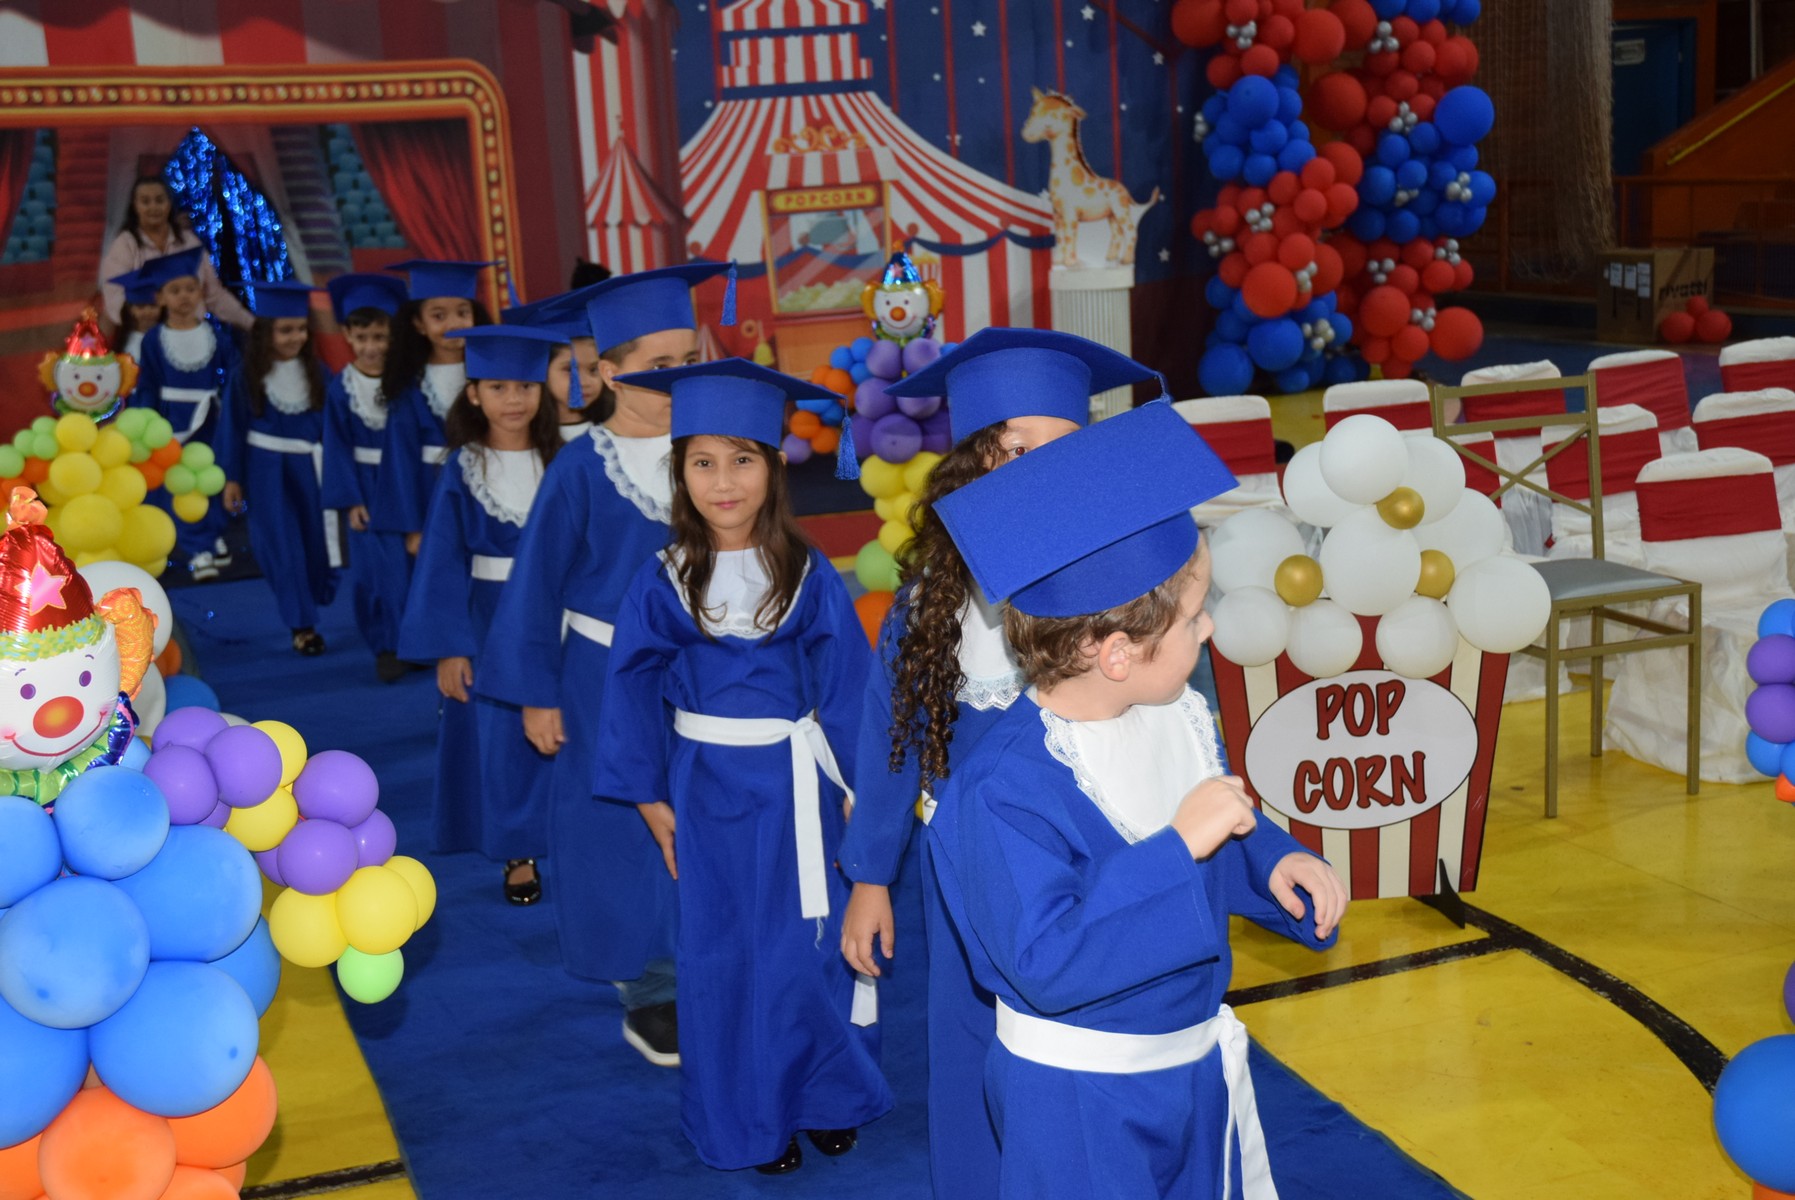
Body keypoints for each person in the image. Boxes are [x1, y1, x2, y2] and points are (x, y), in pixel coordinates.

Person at [927, 400, 1349, 1199]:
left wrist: (1275, 858)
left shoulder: (1175, 716)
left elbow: (1219, 820)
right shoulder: (1001, 790)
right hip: (1079, 1099)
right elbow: (1044, 959)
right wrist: (1176, 847)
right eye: (1194, 618)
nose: (1213, 633)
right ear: (1115, 654)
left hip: (1187, 1067)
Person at [835, 328, 1162, 1200]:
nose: (1026, 474)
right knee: (971, 1044)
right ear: (968, 468)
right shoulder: (931, 604)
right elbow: (892, 739)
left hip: (1093, 865)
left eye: (1051, 452)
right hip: (967, 872)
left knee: (1090, 1044)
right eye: (1005, 451)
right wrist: (870, 877)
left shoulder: (1125, 591)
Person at [594, 358, 892, 1173]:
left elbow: (845, 691)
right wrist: (650, 797)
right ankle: (749, 1117)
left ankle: (824, 1093)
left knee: (809, 947)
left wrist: (858, 790)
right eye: (703, 462)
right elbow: (627, 688)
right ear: (679, 471)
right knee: (724, 956)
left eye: (743, 459)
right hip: (707, 794)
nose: (723, 482)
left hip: (796, 788)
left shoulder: (807, 575)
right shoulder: (662, 581)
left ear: (773, 465)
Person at [477, 260, 733, 1068]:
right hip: (604, 679)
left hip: (711, 671)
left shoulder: (718, 453)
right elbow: (535, 586)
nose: (680, 376)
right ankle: (649, 989)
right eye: (658, 366)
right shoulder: (582, 467)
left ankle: (716, 961)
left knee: (712, 814)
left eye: (689, 356)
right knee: (618, 831)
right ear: (609, 371)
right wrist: (535, 695)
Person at [397, 326, 567, 905]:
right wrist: (451, 645)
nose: (514, 399)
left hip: (559, 617)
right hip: (489, 618)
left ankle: (573, 836)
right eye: (498, 386)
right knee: (501, 737)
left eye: (526, 385)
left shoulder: (567, 461)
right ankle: (518, 849)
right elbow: (443, 558)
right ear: (474, 394)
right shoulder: (462, 468)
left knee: (569, 727)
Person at [214, 281, 338, 656]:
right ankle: (302, 626)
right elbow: (232, 428)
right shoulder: (246, 375)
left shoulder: (318, 372)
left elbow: (333, 425)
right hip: (265, 470)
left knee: (315, 544)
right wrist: (232, 478)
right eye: (285, 330)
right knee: (282, 546)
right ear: (267, 331)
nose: (294, 337)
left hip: (309, 468)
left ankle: (312, 599)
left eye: (300, 329)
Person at [321, 272, 414, 682]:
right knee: (374, 573)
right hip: (367, 487)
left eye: (380, 336)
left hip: (407, 485)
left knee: (409, 568)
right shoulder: (342, 389)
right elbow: (336, 446)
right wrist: (352, 500)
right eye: (362, 338)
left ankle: (413, 639)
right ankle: (385, 646)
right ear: (347, 335)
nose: (372, 347)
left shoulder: (409, 383)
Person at [128, 246, 240, 579]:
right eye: (175, 291)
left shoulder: (216, 337)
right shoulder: (153, 340)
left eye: (191, 289)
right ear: (160, 297)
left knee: (211, 478)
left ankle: (213, 534)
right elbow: (148, 383)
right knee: (181, 485)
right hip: (172, 422)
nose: (185, 297)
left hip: (210, 421)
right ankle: (198, 548)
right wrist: (147, 420)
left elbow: (234, 375)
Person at [371, 260, 493, 558]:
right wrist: (413, 527)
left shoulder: (493, 378)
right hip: (431, 493)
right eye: (439, 315)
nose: (453, 324)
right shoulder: (409, 387)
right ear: (418, 324)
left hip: (488, 487)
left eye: (463, 313)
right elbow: (400, 459)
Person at [98, 175, 251, 334]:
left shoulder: (189, 242)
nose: (153, 207)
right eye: (145, 201)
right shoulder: (126, 244)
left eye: (159, 200)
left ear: (169, 203)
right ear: (135, 206)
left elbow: (214, 295)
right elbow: (114, 296)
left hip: (191, 334)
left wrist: (251, 323)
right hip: (143, 337)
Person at [500, 292, 611, 434]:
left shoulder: (611, 433)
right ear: (541, 370)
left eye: (593, 370)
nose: (584, 382)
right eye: (570, 370)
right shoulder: (524, 437)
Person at [106, 267, 164, 363]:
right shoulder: (122, 340)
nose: (147, 311)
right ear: (130, 309)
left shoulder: (167, 337)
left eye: (153, 306)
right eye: (141, 307)